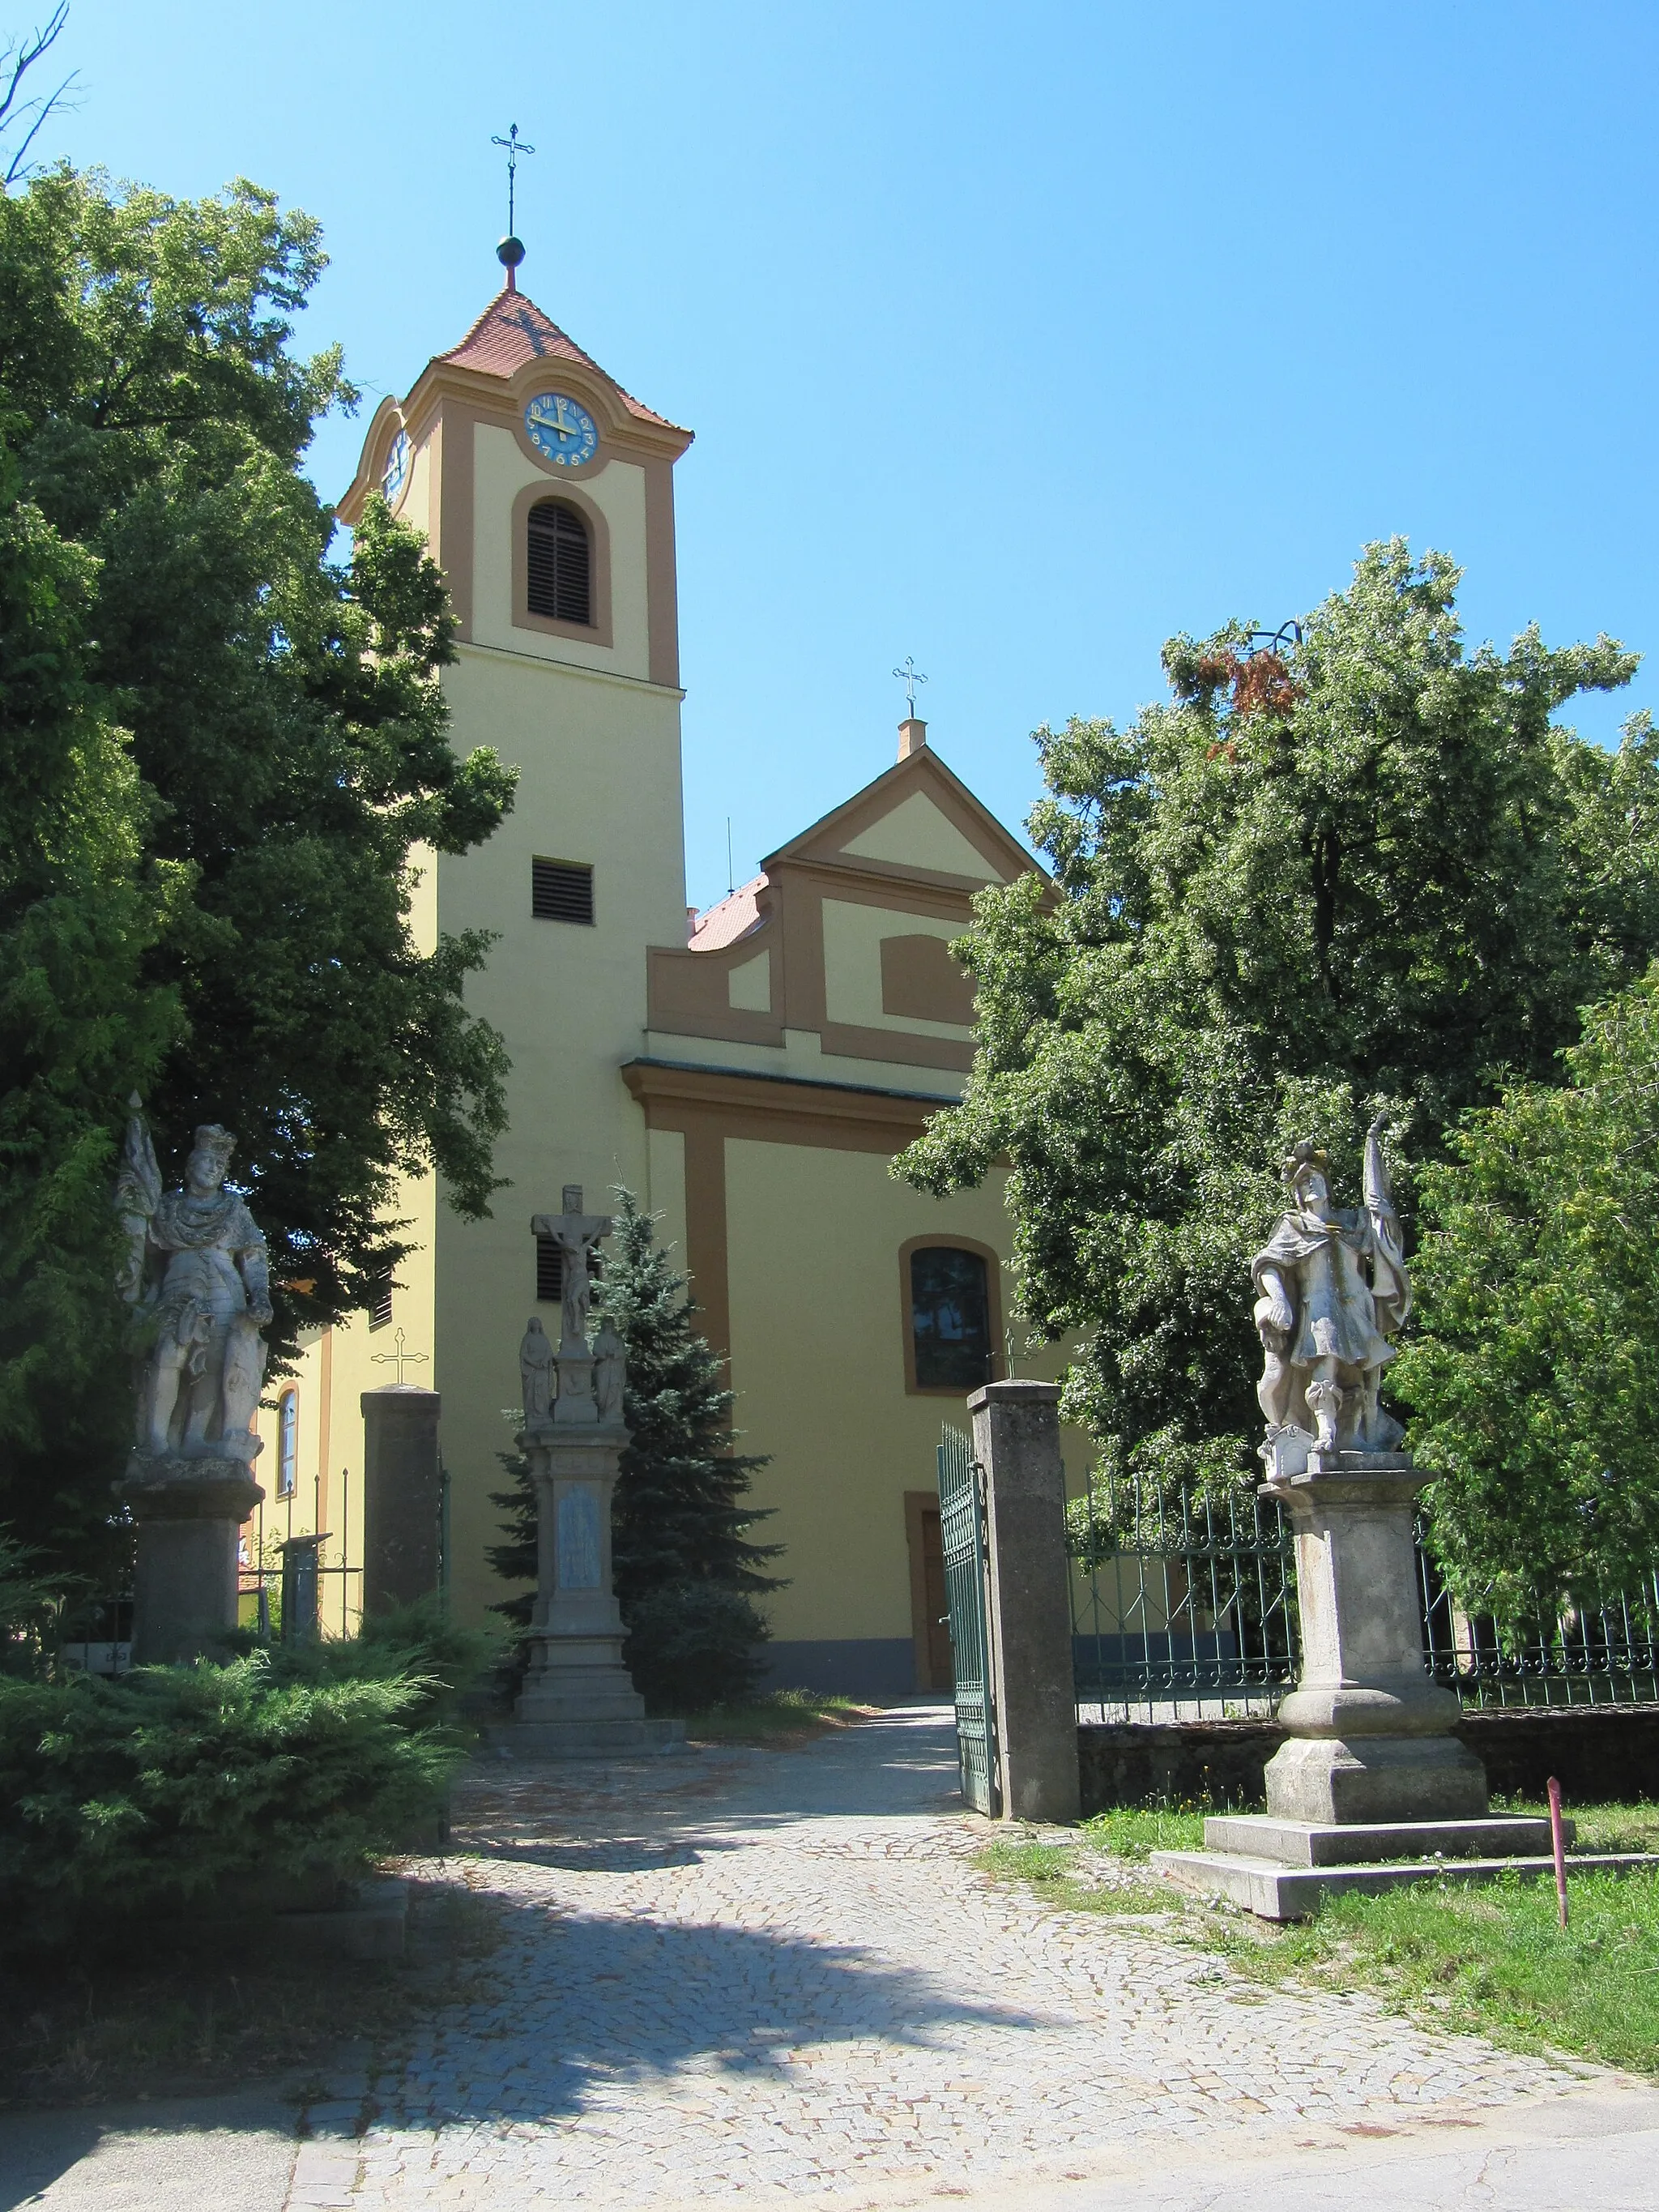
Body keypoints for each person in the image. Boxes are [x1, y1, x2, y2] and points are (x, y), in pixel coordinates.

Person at [1251, 1118, 1410, 1455]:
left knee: (1369, 1376)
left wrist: (1387, 1217)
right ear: (1297, 1193)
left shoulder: (1352, 1222)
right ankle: (1326, 1432)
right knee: (1325, 1366)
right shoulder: (1295, 1226)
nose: (1312, 1186)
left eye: (1317, 1179)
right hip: (1320, 1307)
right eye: (1305, 1182)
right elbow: (1268, 1264)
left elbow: (1383, 1244)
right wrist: (1278, 1298)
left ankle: (1366, 1428)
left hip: (1357, 1305)